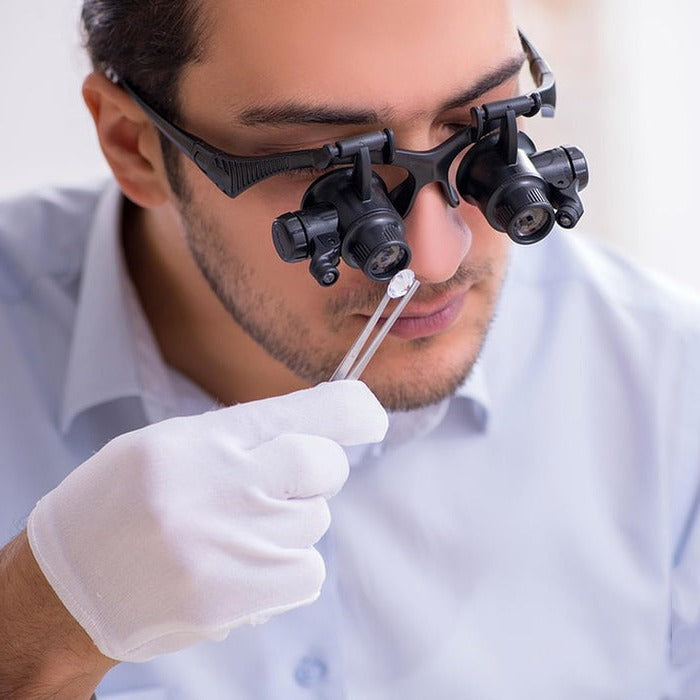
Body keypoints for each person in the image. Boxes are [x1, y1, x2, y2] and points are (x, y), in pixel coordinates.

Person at [2, 0, 700, 697]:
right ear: (134, 145)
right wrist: (36, 630)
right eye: (325, 172)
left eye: (482, 130)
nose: (431, 257)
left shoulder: (668, 392)